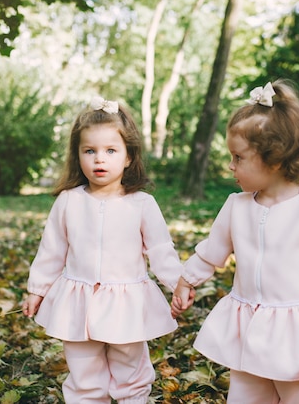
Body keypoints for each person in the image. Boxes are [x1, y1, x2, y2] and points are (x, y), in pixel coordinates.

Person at [171, 80, 299, 403]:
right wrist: (186, 280)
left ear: (275, 159)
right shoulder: (236, 206)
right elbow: (211, 252)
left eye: (238, 157)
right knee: (247, 396)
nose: (231, 166)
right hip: (249, 328)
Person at [23, 96, 192, 404]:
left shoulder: (141, 203)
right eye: (90, 151)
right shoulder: (69, 201)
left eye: (111, 151)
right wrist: (38, 289)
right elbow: (51, 250)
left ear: (128, 157)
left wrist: (179, 284)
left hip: (126, 304)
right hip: (78, 303)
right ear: (78, 155)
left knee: (131, 372)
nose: (99, 159)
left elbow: (161, 250)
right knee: (84, 374)